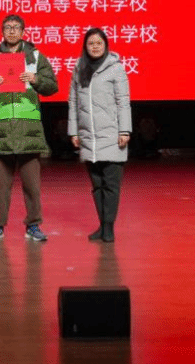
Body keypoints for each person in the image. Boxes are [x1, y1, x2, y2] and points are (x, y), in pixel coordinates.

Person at [0, 14, 58, 242]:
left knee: (32, 185)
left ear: (23, 31)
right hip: (1, 131)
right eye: (7, 27)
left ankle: (34, 225)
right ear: (2, 31)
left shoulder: (35, 57)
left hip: (29, 130)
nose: (11, 31)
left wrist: (35, 79)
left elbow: (52, 86)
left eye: (16, 27)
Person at [67, 28, 131, 243]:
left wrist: (124, 130)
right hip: (89, 137)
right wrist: (73, 131)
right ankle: (102, 225)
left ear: (106, 45)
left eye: (99, 43)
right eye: (91, 43)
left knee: (111, 185)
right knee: (97, 185)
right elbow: (73, 102)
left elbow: (123, 102)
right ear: (85, 46)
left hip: (112, 135)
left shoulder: (116, 68)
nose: (95, 47)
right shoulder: (79, 68)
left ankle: (109, 227)